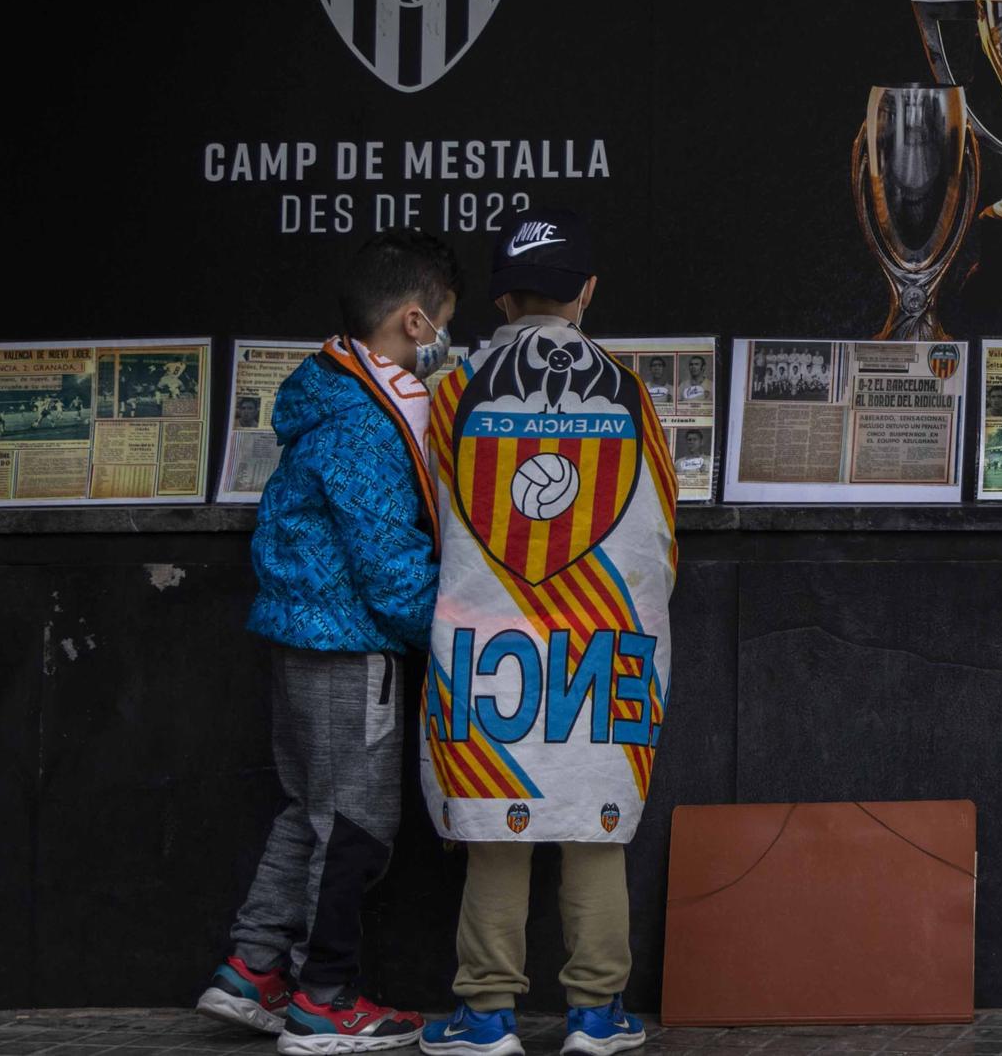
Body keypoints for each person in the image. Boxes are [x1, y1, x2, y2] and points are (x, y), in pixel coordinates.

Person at [194, 228, 461, 1050]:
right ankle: (324, 998)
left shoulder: (339, 391)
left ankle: (252, 970)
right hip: (350, 648)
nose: (454, 334)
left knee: (308, 813)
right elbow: (388, 562)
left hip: (302, 639)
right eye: (448, 317)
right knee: (356, 824)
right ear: (416, 321)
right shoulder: (370, 421)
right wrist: (451, 636)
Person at [419, 210, 675, 1056]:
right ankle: (596, 1016)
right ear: (587, 293)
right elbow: (660, 537)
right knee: (595, 823)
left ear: (498, 297)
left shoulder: (455, 390)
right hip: (603, 649)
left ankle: (486, 1015)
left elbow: (436, 516)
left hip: (489, 647)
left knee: (498, 823)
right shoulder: (632, 393)